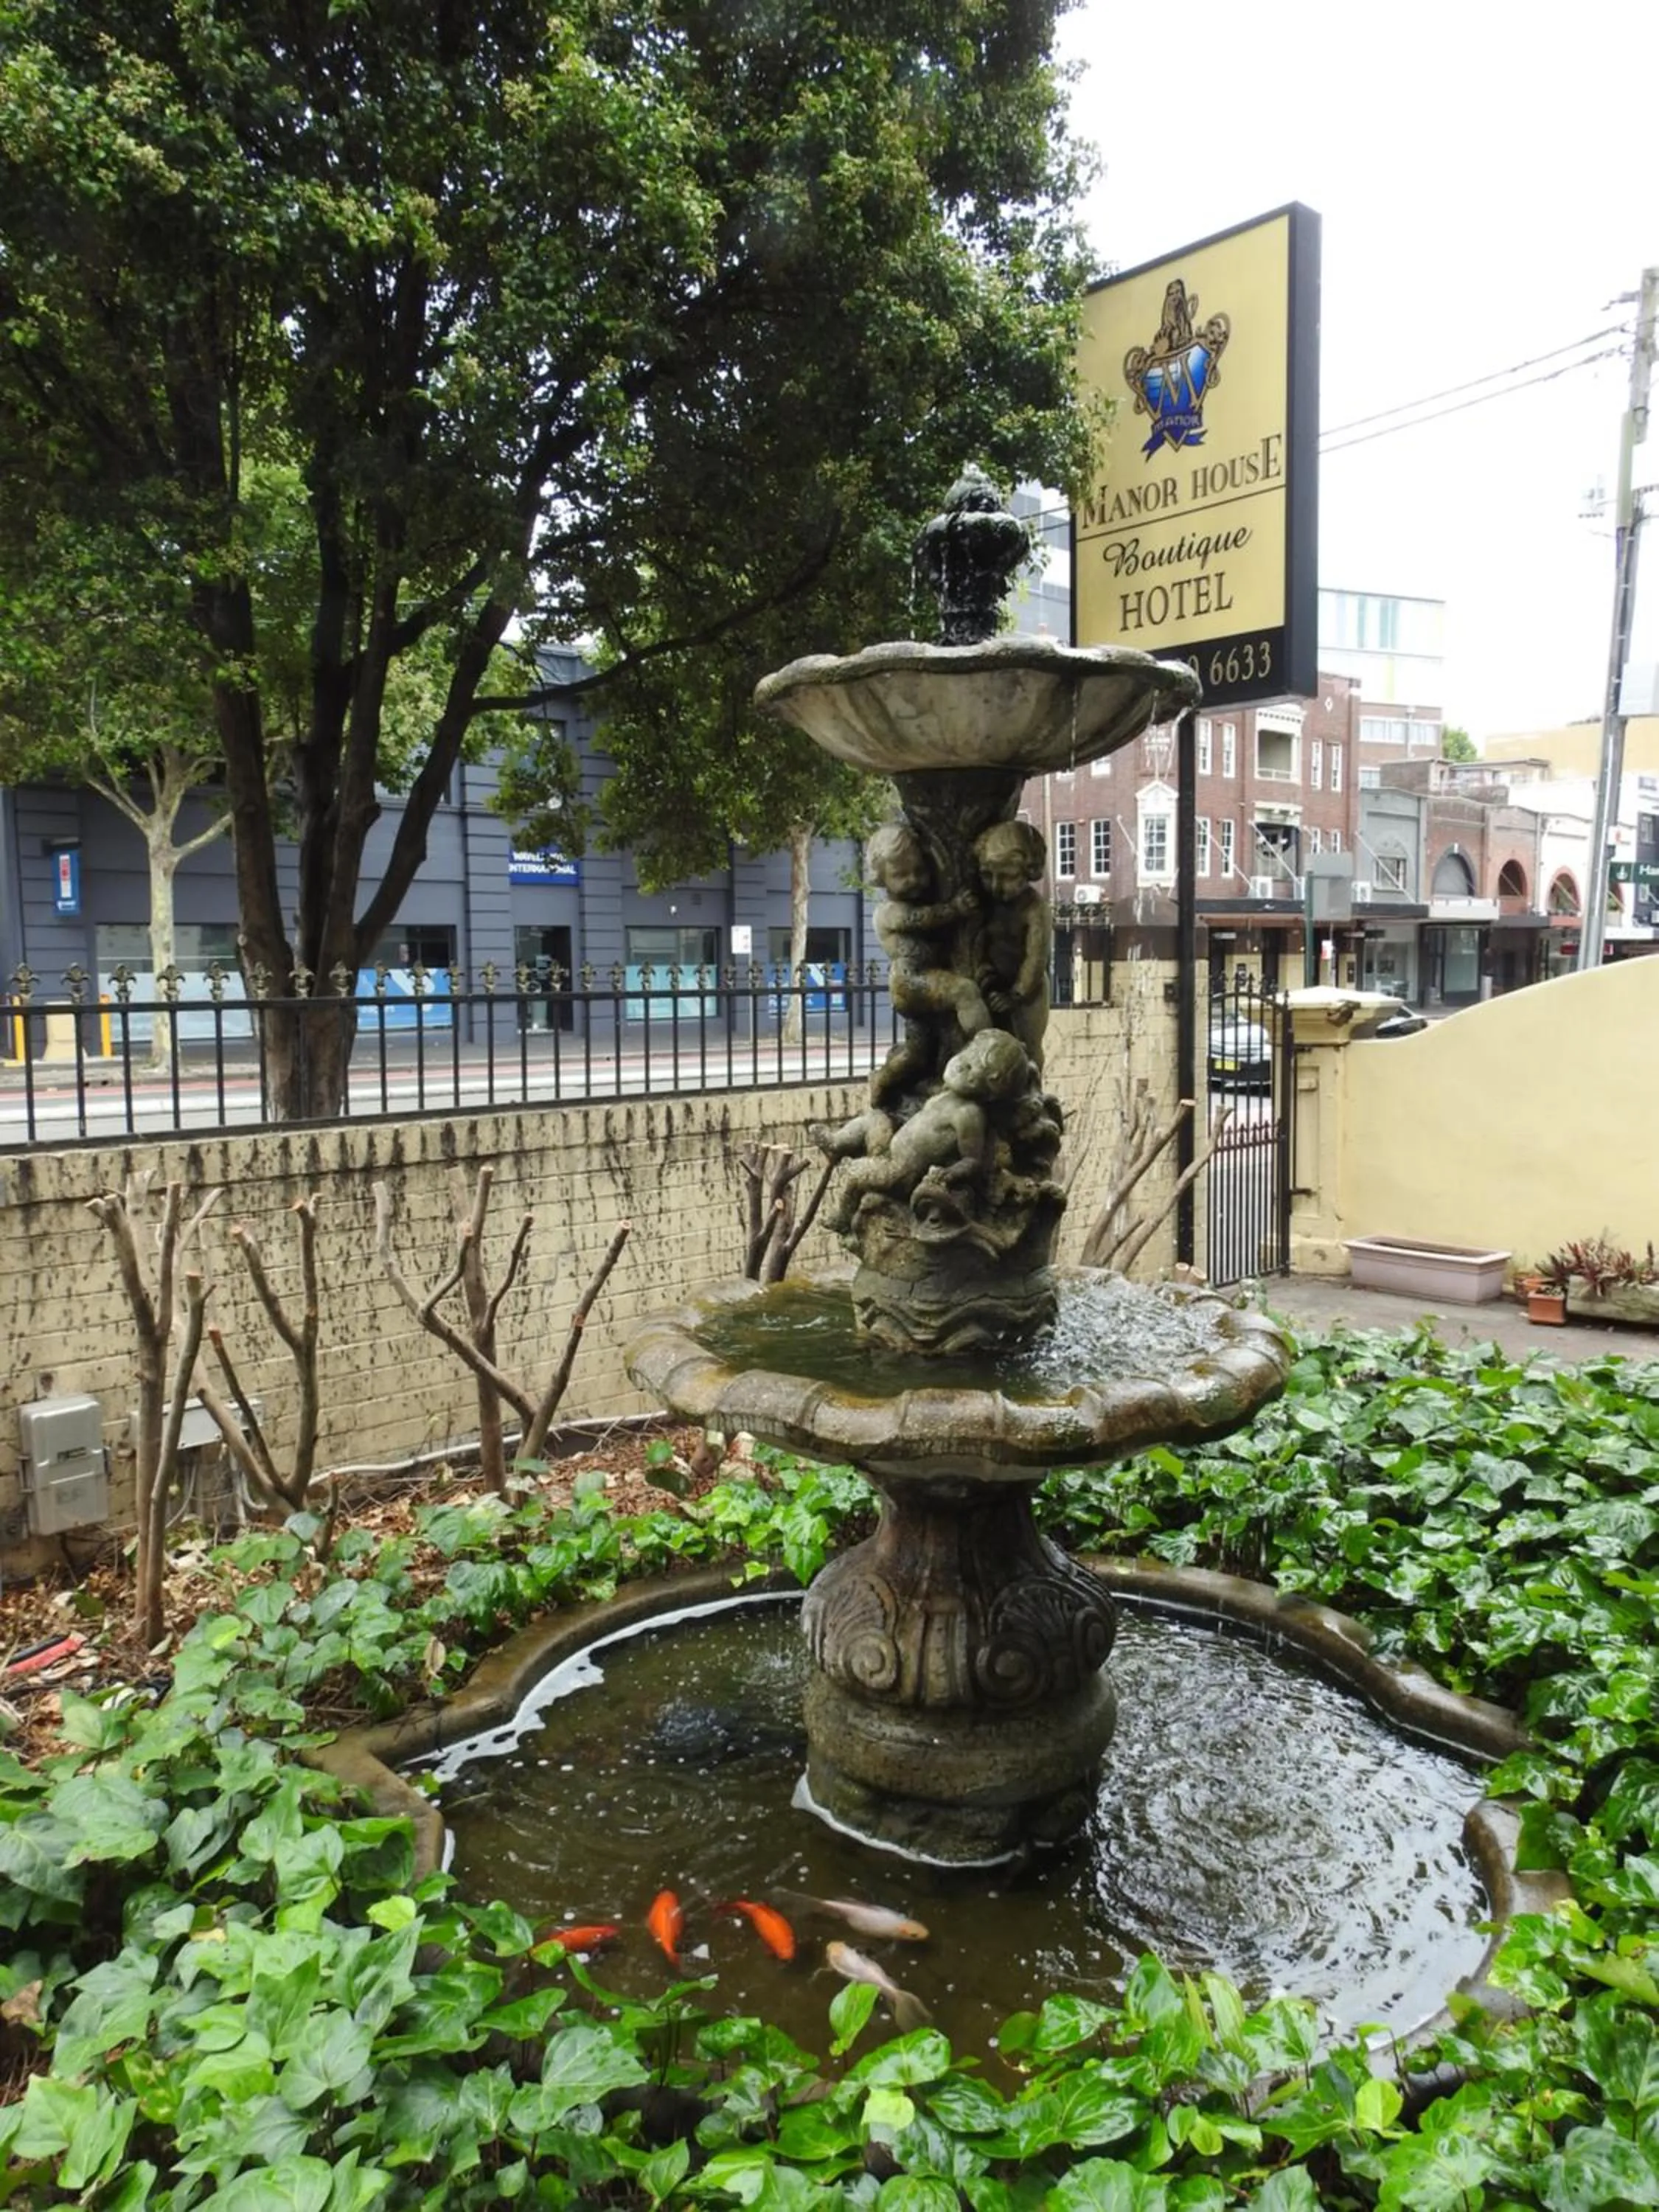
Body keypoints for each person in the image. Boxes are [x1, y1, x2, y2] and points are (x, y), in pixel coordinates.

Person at [825, 1029, 1030, 1235]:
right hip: (891, 1148)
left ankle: (843, 1217)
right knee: (875, 1119)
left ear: (990, 1090)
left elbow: (972, 1160)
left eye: (972, 1066)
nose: (961, 1064)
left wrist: (948, 1174)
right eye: (967, 1053)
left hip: (899, 1172)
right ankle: (835, 1143)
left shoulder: (969, 1114)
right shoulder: (947, 1093)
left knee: (855, 1173)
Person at [863, 821, 988, 1105]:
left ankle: (883, 1080)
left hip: (920, 981)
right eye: (901, 875)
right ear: (881, 878)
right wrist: (955, 908)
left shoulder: (914, 900)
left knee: (918, 1054)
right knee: (964, 991)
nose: (914, 880)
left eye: (919, 871)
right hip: (911, 980)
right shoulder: (889, 912)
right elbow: (922, 919)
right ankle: (985, 1045)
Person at [973, 820, 1051, 1069]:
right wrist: (982, 972)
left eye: (1007, 877)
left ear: (1029, 871)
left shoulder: (1034, 909)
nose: (996, 886)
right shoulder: (985, 904)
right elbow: (976, 940)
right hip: (991, 985)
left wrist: (1017, 993)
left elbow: (1035, 958)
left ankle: (1031, 1085)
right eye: (987, 875)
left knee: (1027, 1048)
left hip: (1028, 993)